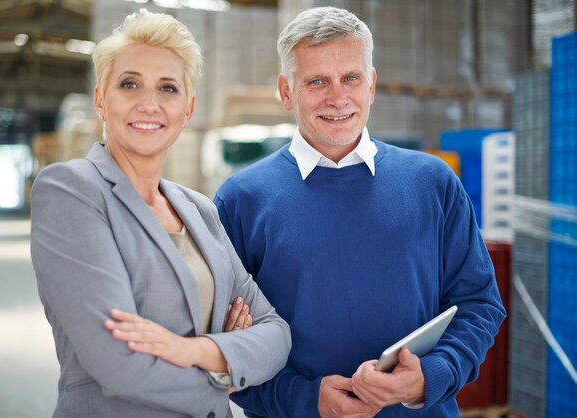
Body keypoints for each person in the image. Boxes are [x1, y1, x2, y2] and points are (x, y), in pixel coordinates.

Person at [212, 6, 507, 418]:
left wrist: (430, 375)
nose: (338, 97)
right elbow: (224, 346)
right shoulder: (240, 199)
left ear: (370, 85)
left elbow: (479, 304)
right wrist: (305, 399)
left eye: (350, 77)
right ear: (285, 91)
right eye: (316, 81)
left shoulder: (433, 182)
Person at [30, 9, 290, 418]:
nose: (149, 104)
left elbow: (275, 332)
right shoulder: (72, 190)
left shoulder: (200, 210)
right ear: (101, 99)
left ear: (188, 109)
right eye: (129, 84)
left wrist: (195, 350)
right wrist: (225, 366)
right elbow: (120, 366)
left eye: (167, 88)